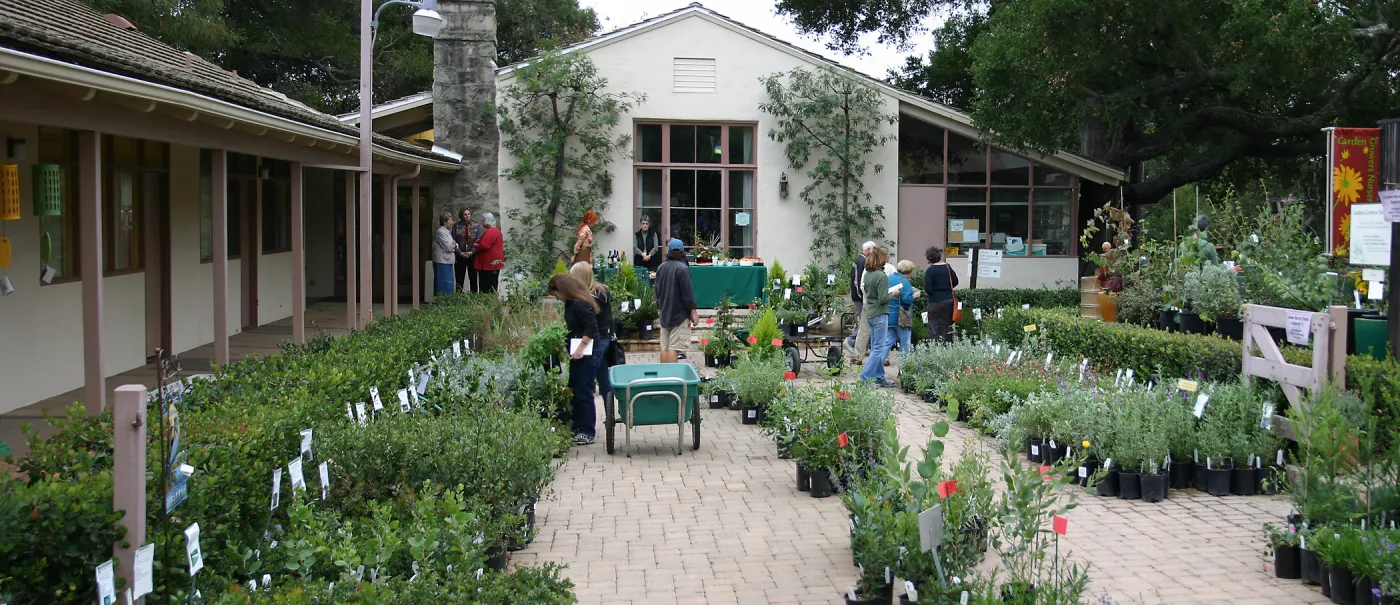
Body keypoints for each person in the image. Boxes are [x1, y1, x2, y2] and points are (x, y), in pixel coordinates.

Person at [549, 274, 600, 446]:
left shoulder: (580, 304)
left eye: (555, 293)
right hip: (577, 352)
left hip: (585, 353)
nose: (555, 297)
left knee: (584, 391)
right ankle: (577, 426)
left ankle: (587, 431)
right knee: (575, 389)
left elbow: (592, 328)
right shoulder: (570, 304)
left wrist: (580, 349)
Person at [570, 262, 615, 404]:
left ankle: (593, 413)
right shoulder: (601, 291)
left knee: (588, 377)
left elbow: (590, 324)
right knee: (602, 376)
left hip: (596, 340)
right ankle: (610, 412)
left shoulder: (586, 298)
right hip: (606, 336)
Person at [654, 238, 699, 364]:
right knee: (674, 348)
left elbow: (657, 291)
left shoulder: (661, 268)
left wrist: (660, 307)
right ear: (682, 252)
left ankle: (663, 375)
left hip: (665, 313)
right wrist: (693, 312)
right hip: (679, 315)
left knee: (665, 347)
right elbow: (687, 294)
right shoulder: (683, 269)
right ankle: (672, 378)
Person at [859, 247, 897, 385]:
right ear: (881, 259)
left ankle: (880, 378)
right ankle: (864, 378)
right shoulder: (881, 276)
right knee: (878, 349)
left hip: (870, 313)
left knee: (876, 346)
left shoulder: (868, 274)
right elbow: (883, 298)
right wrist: (894, 294)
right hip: (880, 314)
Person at [846, 241, 877, 360]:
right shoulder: (862, 261)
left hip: (858, 296)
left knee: (864, 322)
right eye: (874, 249)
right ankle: (851, 341)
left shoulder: (859, 259)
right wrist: (861, 296)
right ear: (869, 250)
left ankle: (858, 344)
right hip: (860, 297)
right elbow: (858, 280)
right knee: (865, 322)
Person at [923, 246, 960, 343]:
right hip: (949, 300)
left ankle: (936, 348)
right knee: (948, 326)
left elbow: (928, 289)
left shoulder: (930, 270)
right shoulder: (947, 267)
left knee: (934, 327)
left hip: (935, 301)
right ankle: (948, 346)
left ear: (929, 259)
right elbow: (955, 282)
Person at [886, 260, 918, 361]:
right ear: (908, 271)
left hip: (889, 315)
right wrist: (915, 295)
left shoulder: (888, 278)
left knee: (887, 342)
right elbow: (907, 300)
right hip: (901, 318)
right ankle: (903, 369)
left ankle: (876, 365)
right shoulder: (904, 281)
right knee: (905, 343)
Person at [453, 208, 482, 292]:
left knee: (473, 277)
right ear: (462, 215)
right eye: (465, 214)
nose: (467, 216)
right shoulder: (456, 226)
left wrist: (472, 251)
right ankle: (459, 298)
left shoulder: (476, 226)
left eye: (468, 214)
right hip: (460, 256)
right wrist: (459, 253)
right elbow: (453, 241)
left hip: (472, 255)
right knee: (459, 278)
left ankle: (474, 298)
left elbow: (478, 240)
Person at [473, 212, 504, 293]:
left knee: (486, 285)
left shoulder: (490, 231)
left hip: (488, 264)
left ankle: (486, 300)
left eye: (483, 220)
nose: (482, 222)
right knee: (493, 284)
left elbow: (484, 245)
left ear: (487, 221)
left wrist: (476, 245)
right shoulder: (496, 230)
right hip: (493, 263)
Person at [432, 212, 458, 297]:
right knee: (443, 283)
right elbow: (449, 247)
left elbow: (454, 244)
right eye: (450, 220)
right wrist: (454, 245)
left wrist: (455, 245)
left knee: (448, 283)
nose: (452, 222)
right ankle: (442, 302)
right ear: (444, 221)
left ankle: (447, 302)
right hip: (442, 261)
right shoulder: (441, 232)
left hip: (447, 261)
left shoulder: (446, 231)